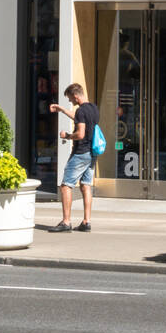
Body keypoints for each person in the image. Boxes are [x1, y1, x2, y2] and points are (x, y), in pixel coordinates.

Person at [49, 82, 99, 232]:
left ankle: (66, 222)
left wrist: (68, 136)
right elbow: (79, 118)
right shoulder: (93, 108)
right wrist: (62, 110)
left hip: (81, 153)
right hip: (92, 153)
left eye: (71, 99)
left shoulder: (81, 111)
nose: (71, 101)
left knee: (66, 186)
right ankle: (86, 222)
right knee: (86, 185)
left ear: (76, 96)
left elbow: (81, 133)